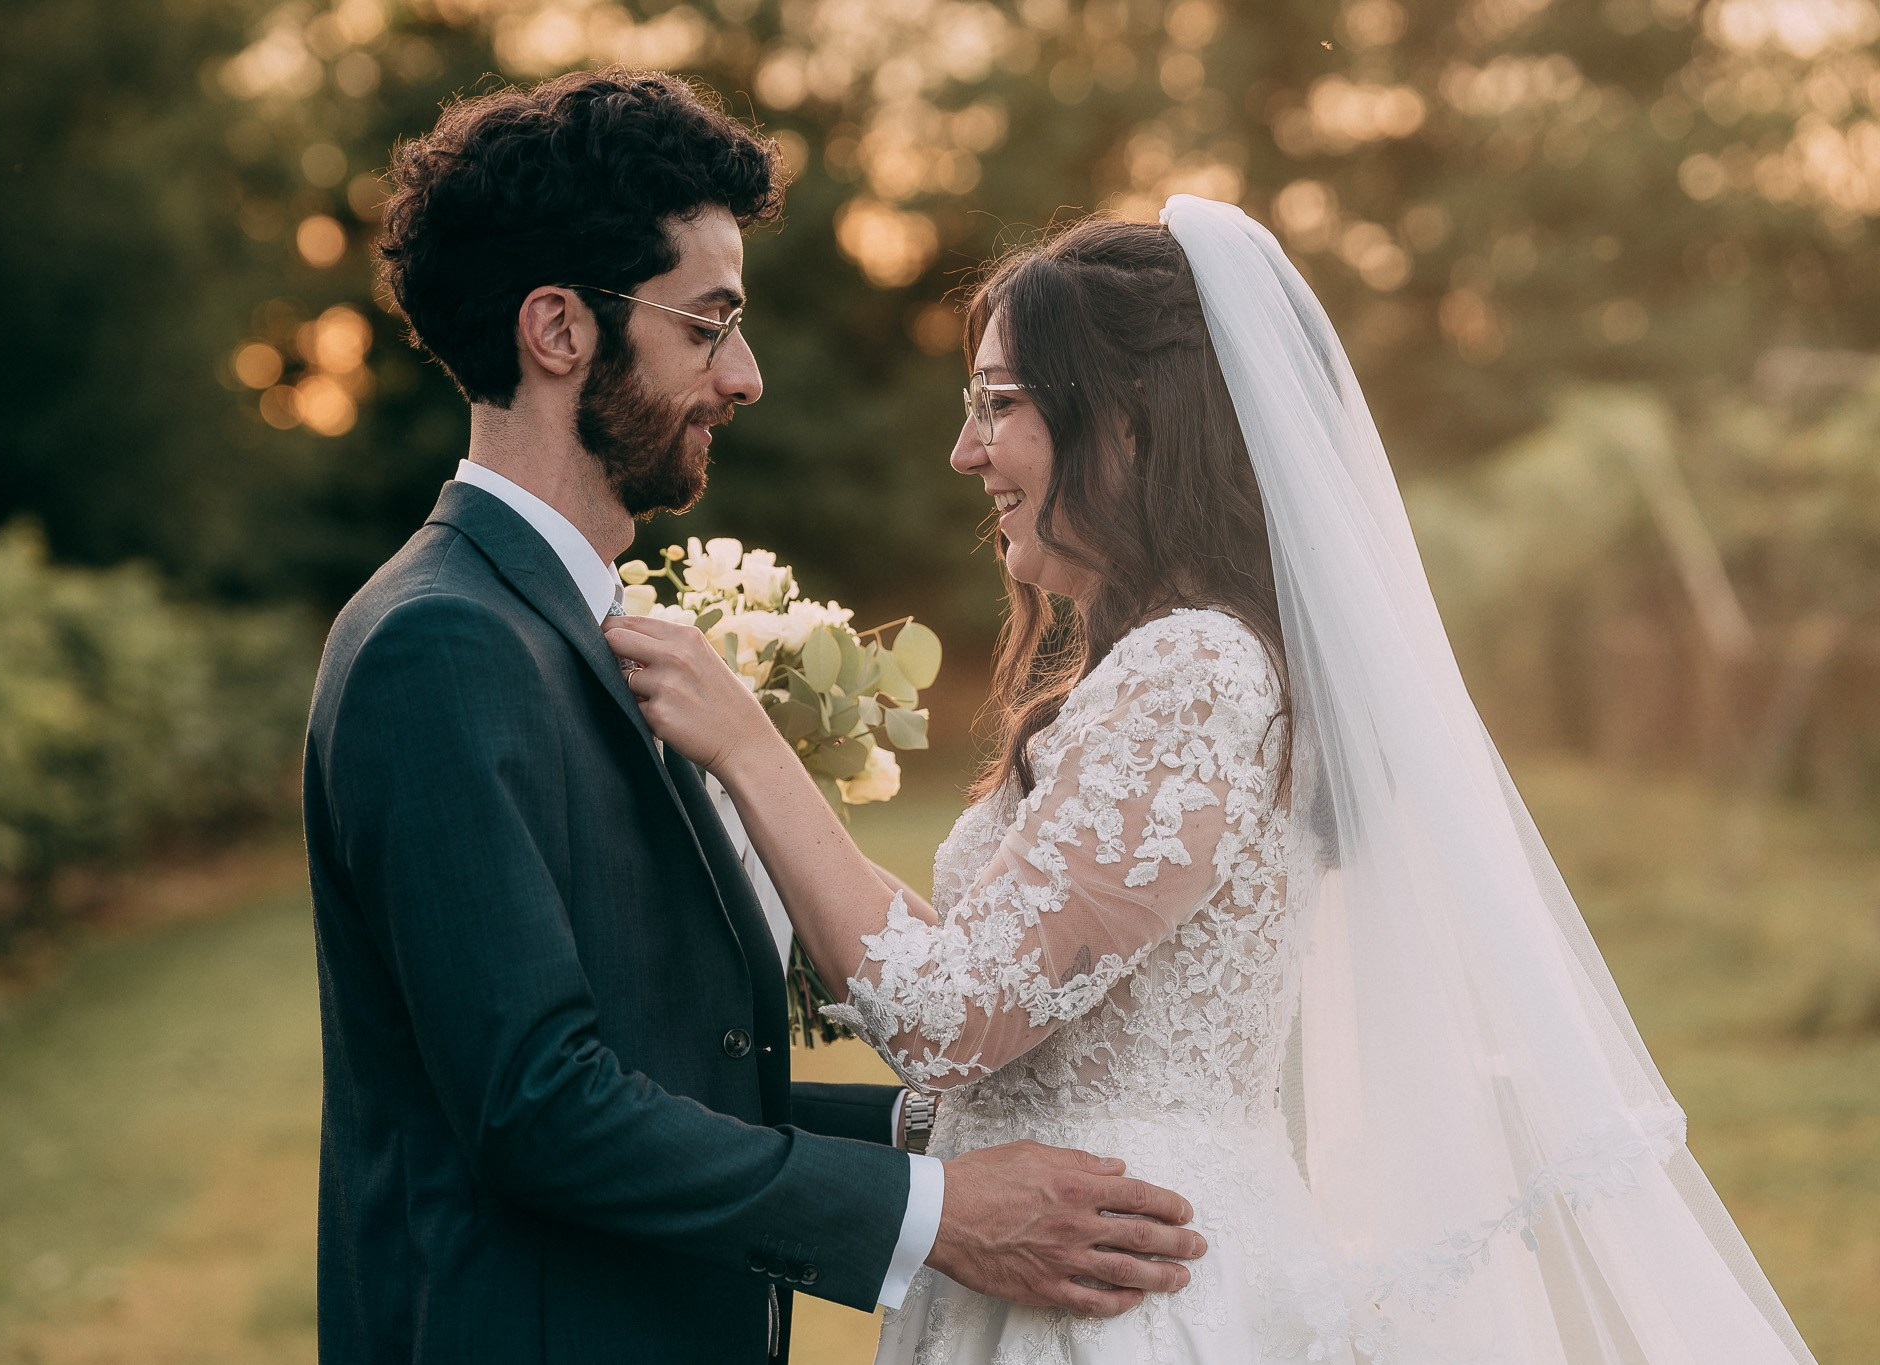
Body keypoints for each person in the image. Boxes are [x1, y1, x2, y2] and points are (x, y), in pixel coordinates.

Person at [604, 199, 1820, 1362]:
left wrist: (752, 751)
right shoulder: (1170, 664)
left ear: (1129, 421)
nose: (965, 449)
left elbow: (950, 1018)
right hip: (1080, 1254)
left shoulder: (1196, 669)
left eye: (996, 403)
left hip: (1124, 1299)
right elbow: (1005, 977)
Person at [300, 70, 1205, 1365]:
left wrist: (925, 1133)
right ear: (559, 330)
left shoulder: (591, 634)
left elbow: (679, 1070)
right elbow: (537, 1106)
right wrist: (935, 1215)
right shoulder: (442, 642)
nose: (748, 376)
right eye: (709, 324)